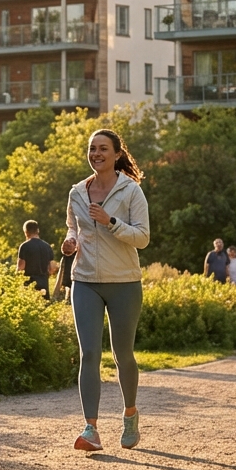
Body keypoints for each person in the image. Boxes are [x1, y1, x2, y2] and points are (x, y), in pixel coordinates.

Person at [63, 129, 150, 452]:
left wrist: (111, 221)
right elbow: (74, 226)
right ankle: (91, 429)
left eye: (103, 149)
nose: (96, 153)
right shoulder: (77, 192)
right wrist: (71, 241)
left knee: (122, 354)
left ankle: (130, 414)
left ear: (116, 154)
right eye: (92, 148)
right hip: (85, 280)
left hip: (124, 282)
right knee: (89, 354)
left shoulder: (130, 191)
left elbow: (142, 238)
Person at [16, 220, 55, 298]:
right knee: (44, 307)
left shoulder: (24, 246)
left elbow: (21, 268)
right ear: (38, 231)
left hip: (29, 285)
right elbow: (52, 268)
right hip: (44, 284)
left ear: (26, 232)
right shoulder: (47, 246)